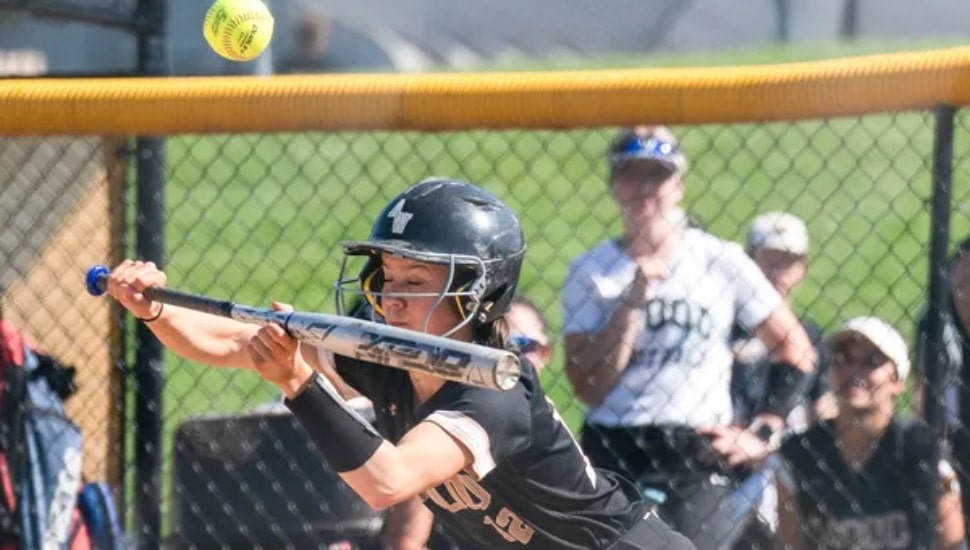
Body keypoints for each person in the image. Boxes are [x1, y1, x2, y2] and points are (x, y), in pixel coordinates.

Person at [105, 179, 693, 549]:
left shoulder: (493, 391)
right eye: (387, 277)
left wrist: (297, 382)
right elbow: (230, 341)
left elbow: (387, 482)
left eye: (417, 281)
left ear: (476, 294)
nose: (391, 296)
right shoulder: (383, 354)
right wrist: (153, 309)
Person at [562, 126, 816, 549]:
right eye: (631, 174)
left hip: (694, 450)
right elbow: (588, 388)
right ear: (613, 185)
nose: (644, 187)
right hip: (614, 444)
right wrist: (630, 305)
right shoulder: (591, 271)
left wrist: (761, 431)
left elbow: (796, 349)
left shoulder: (718, 259)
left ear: (678, 186)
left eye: (657, 175)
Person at [776, 316, 966, 550]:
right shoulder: (801, 452)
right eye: (843, 359)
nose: (854, 372)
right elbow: (790, 545)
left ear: (897, 381)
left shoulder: (922, 450)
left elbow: (953, 544)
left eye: (871, 362)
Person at [381, 294, 554, 549]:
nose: (508, 358)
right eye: (498, 346)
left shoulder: (553, 436)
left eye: (522, 345)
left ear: (545, 353)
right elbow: (405, 541)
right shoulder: (451, 427)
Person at [728, 211, 830, 547]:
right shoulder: (725, 332)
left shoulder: (811, 335)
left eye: (787, 262)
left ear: (802, 268)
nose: (777, 273)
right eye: (768, 260)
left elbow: (825, 407)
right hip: (735, 465)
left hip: (794, 464)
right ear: (748, 262)